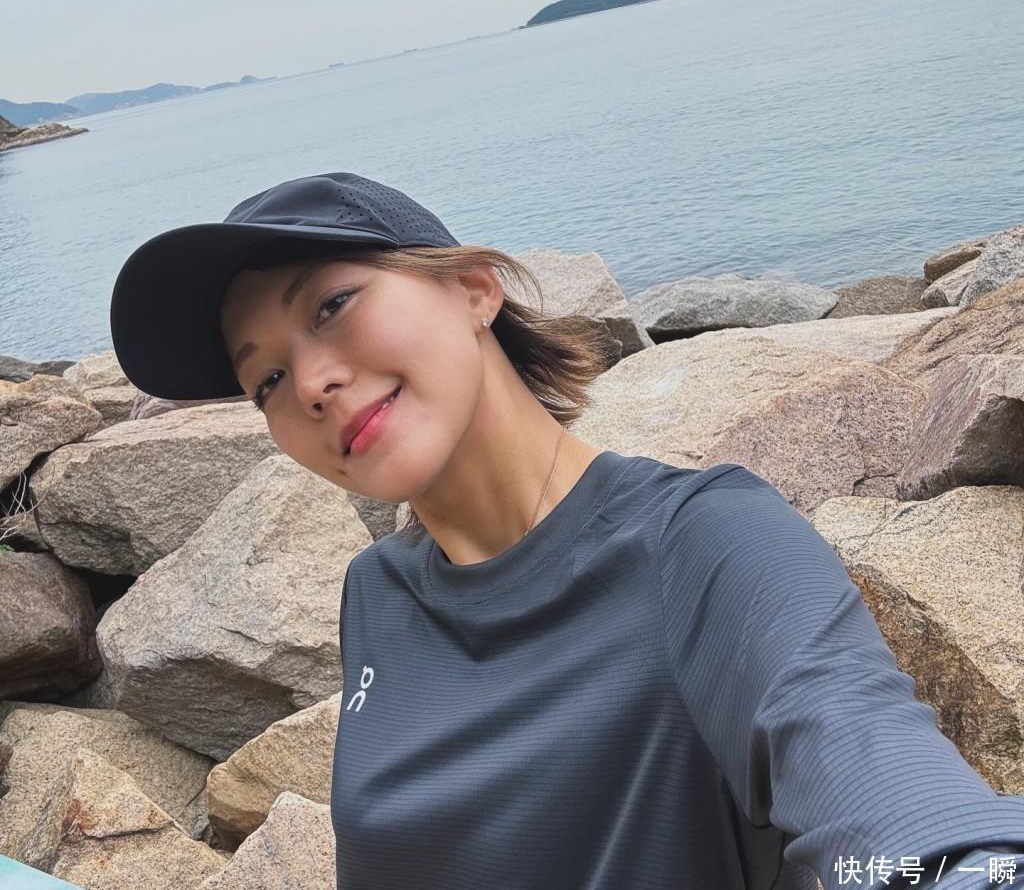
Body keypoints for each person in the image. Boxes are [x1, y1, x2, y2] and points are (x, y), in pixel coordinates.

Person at [110, 170, 1024, 890]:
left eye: (331, 306)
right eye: (266, 380)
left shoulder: (701, 542)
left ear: (474, 289)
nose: (310, 384)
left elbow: (886, 788)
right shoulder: (377, 592)